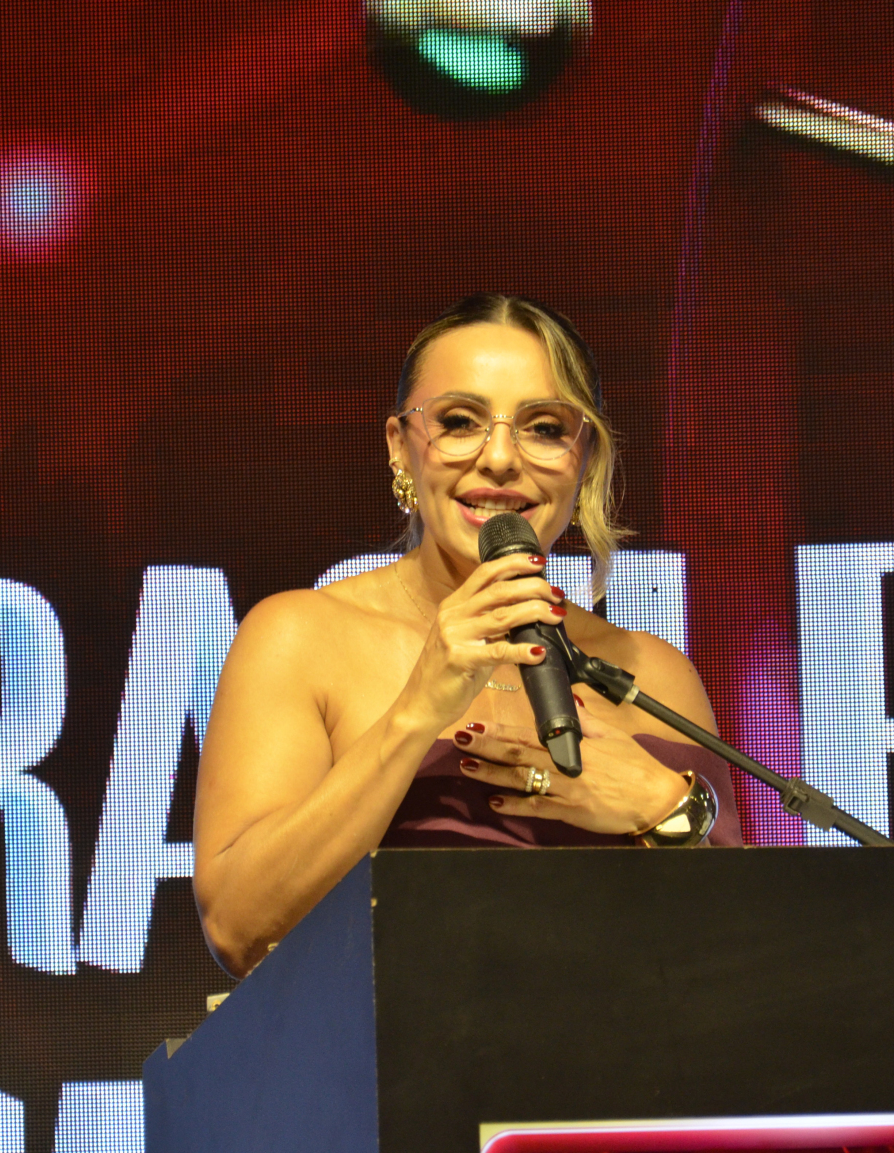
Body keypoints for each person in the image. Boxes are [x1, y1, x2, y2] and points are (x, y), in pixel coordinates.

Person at [193, 294, 740, 977]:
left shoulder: (651, 673)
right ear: (400, 447)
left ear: (585, 457)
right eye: (459, 421)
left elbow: (749, 958)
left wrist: (664, 808)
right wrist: (416, 710)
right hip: (388, 1041)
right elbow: (240, 928)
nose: (501, 459)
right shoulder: (300, 637)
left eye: (544, 428)